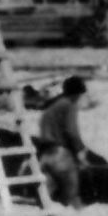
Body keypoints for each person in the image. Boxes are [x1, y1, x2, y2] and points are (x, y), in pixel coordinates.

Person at [34, 76, 91, 208]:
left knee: (46, 194)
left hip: (45, 154)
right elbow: (72, 131)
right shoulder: (70, 105)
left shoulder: (53, 106)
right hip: (60, 154)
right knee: (71, 193)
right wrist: (80, 149)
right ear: (77, 94)